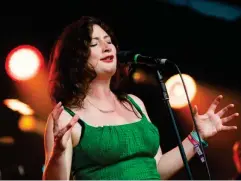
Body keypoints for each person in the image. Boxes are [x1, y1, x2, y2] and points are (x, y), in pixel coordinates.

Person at [42, 16, 239, 180]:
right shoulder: (65, 117)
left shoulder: (134, 103)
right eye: (94, 43)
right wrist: (58, 154)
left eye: (109, 41)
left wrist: (197, 136)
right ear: (75, 59)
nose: (107, 46)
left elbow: (157, 168)